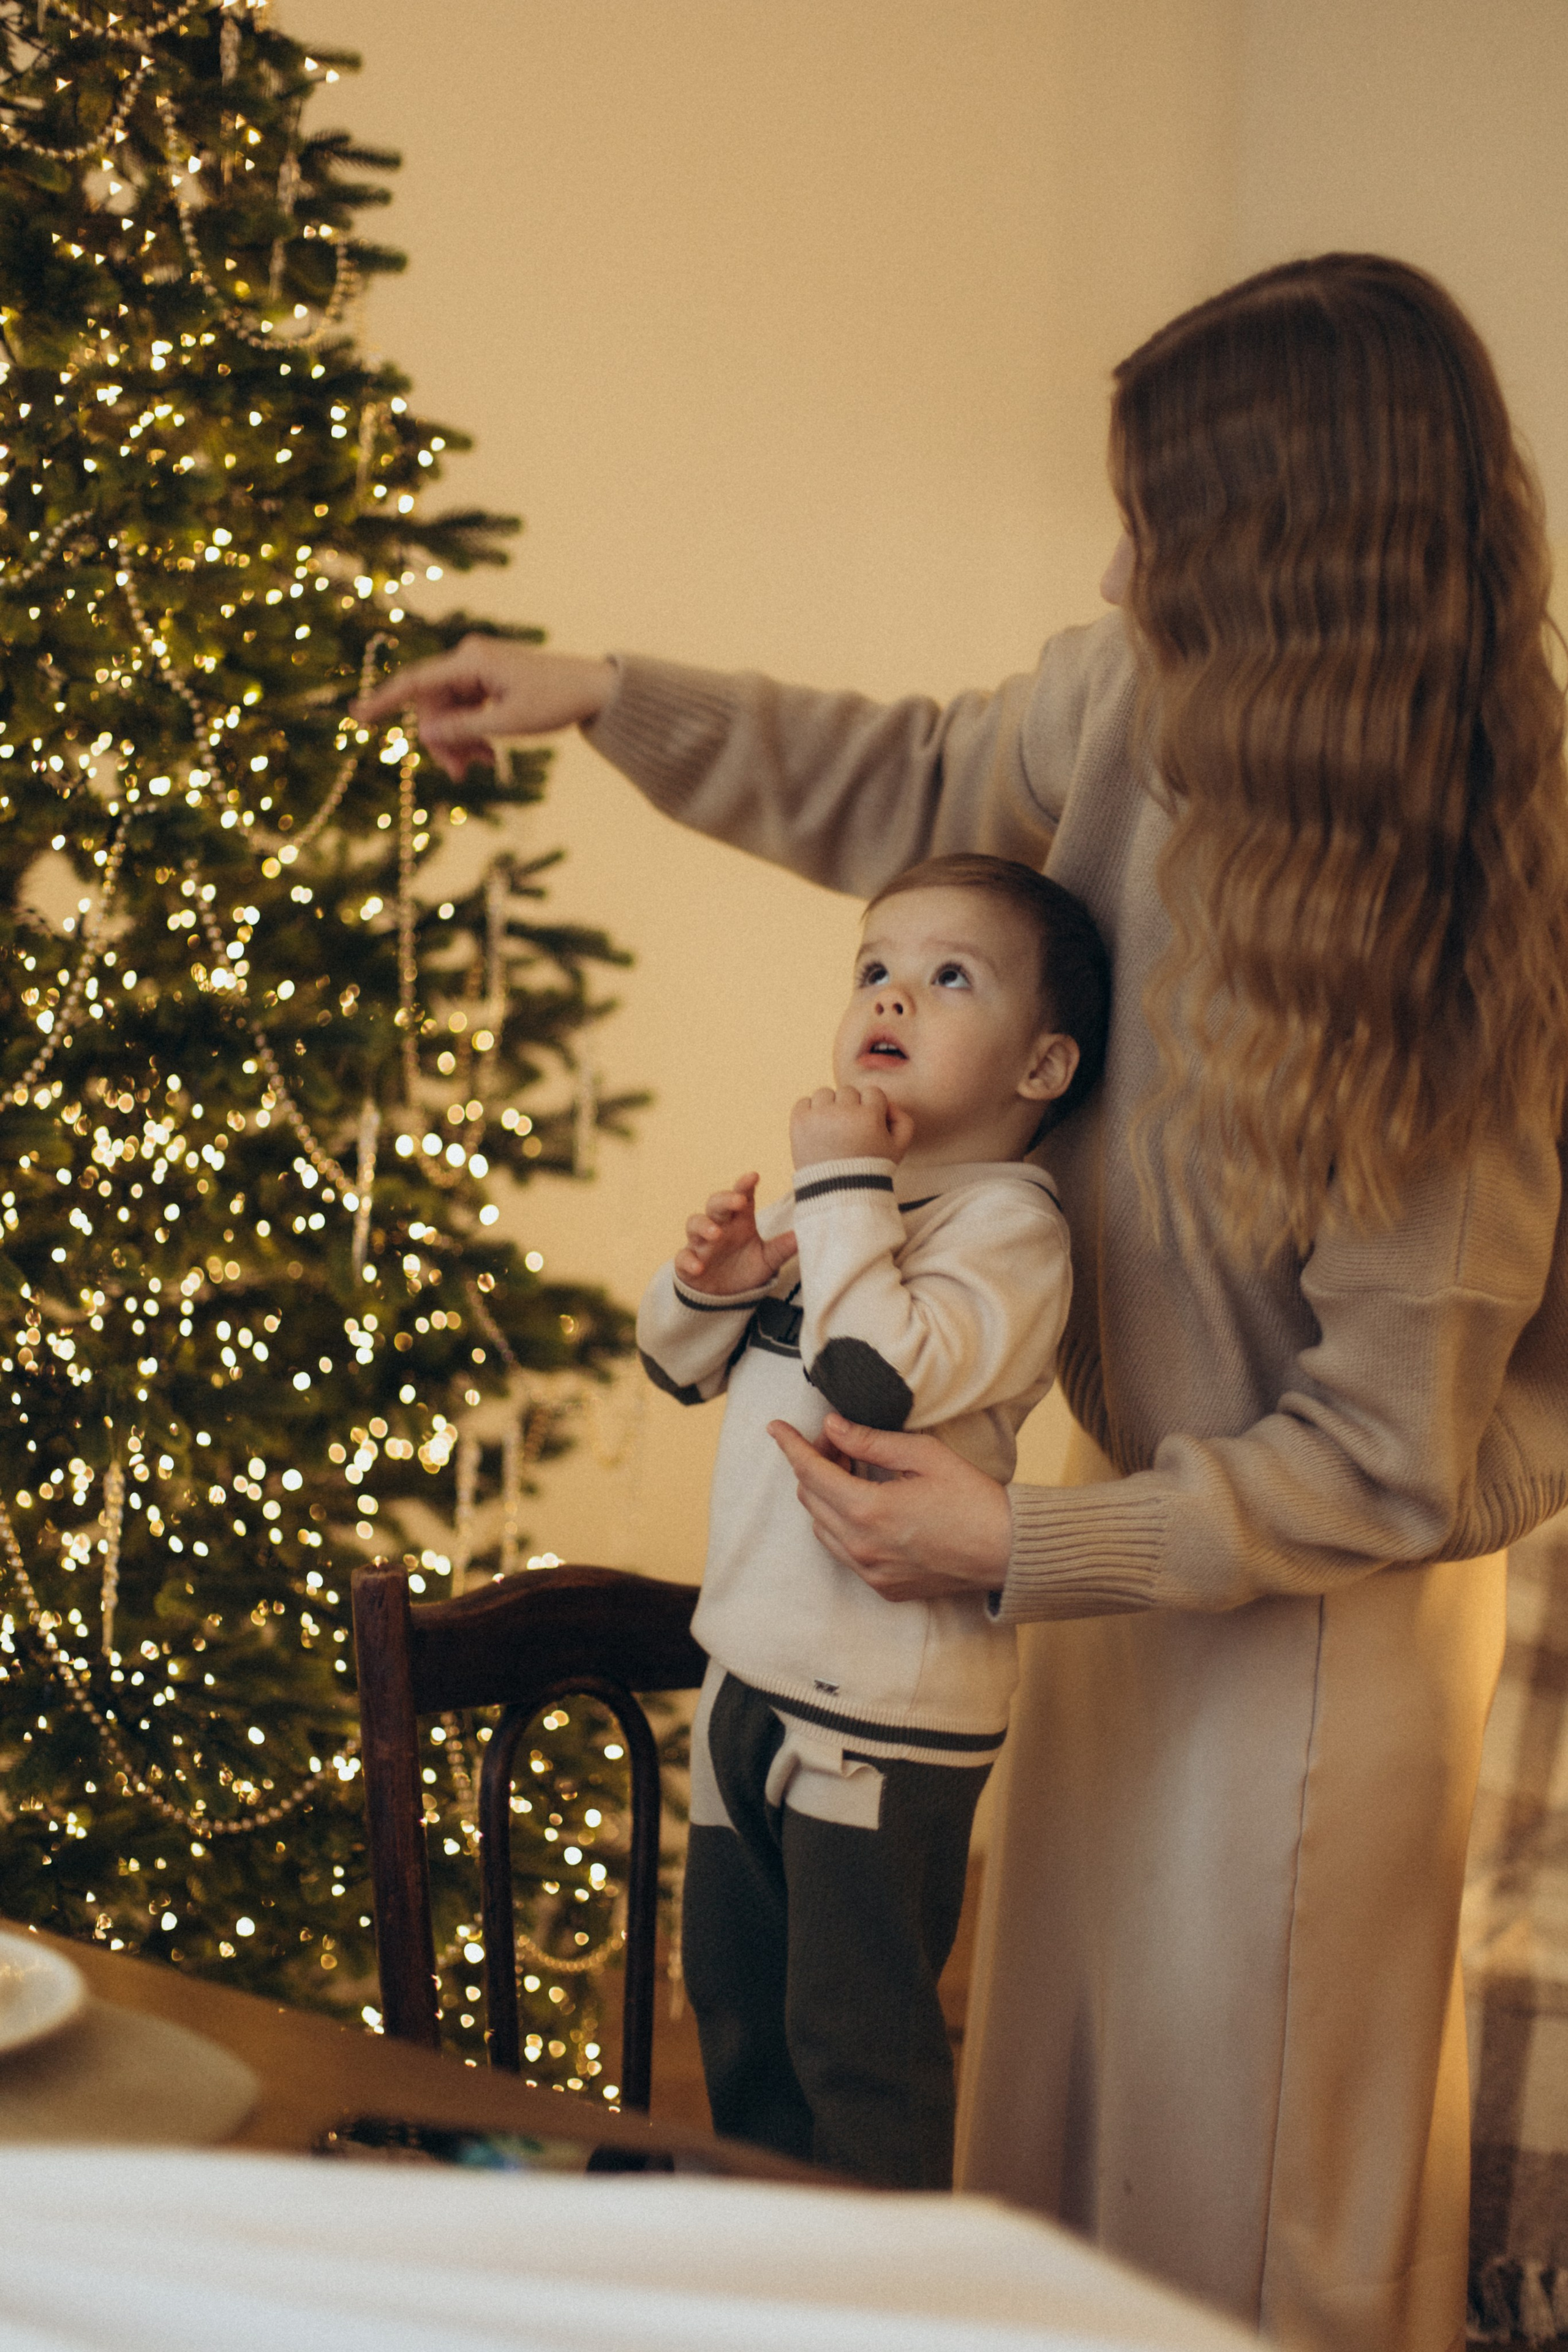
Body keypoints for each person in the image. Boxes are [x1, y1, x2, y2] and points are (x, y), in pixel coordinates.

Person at [360, 254, 1568, 2352]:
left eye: (1161, 526)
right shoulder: (1131, 704)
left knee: (1243, 2202)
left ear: (1296, 566)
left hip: (1319, 1633)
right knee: (1044, 2154)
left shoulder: (1459, 916)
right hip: (1104, 1559)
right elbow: (916, 779)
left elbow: (1383, 1460)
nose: (1117, 563)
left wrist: (1019, 1540)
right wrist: (600, 691)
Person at [636, 854, 1107, 2188]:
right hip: (750, 1671)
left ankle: (881, 2303)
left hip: (878, 1716)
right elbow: (677, 1369)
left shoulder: (1008, 1230)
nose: (892, 995)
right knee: (736, 2017)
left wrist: (838, 1188)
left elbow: (874, 1379)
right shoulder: (842, 1197)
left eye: (947, 977)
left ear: (1040, 1067)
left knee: (855, 2046)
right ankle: (763, 2282)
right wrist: (706, 1284)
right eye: (874, 968)